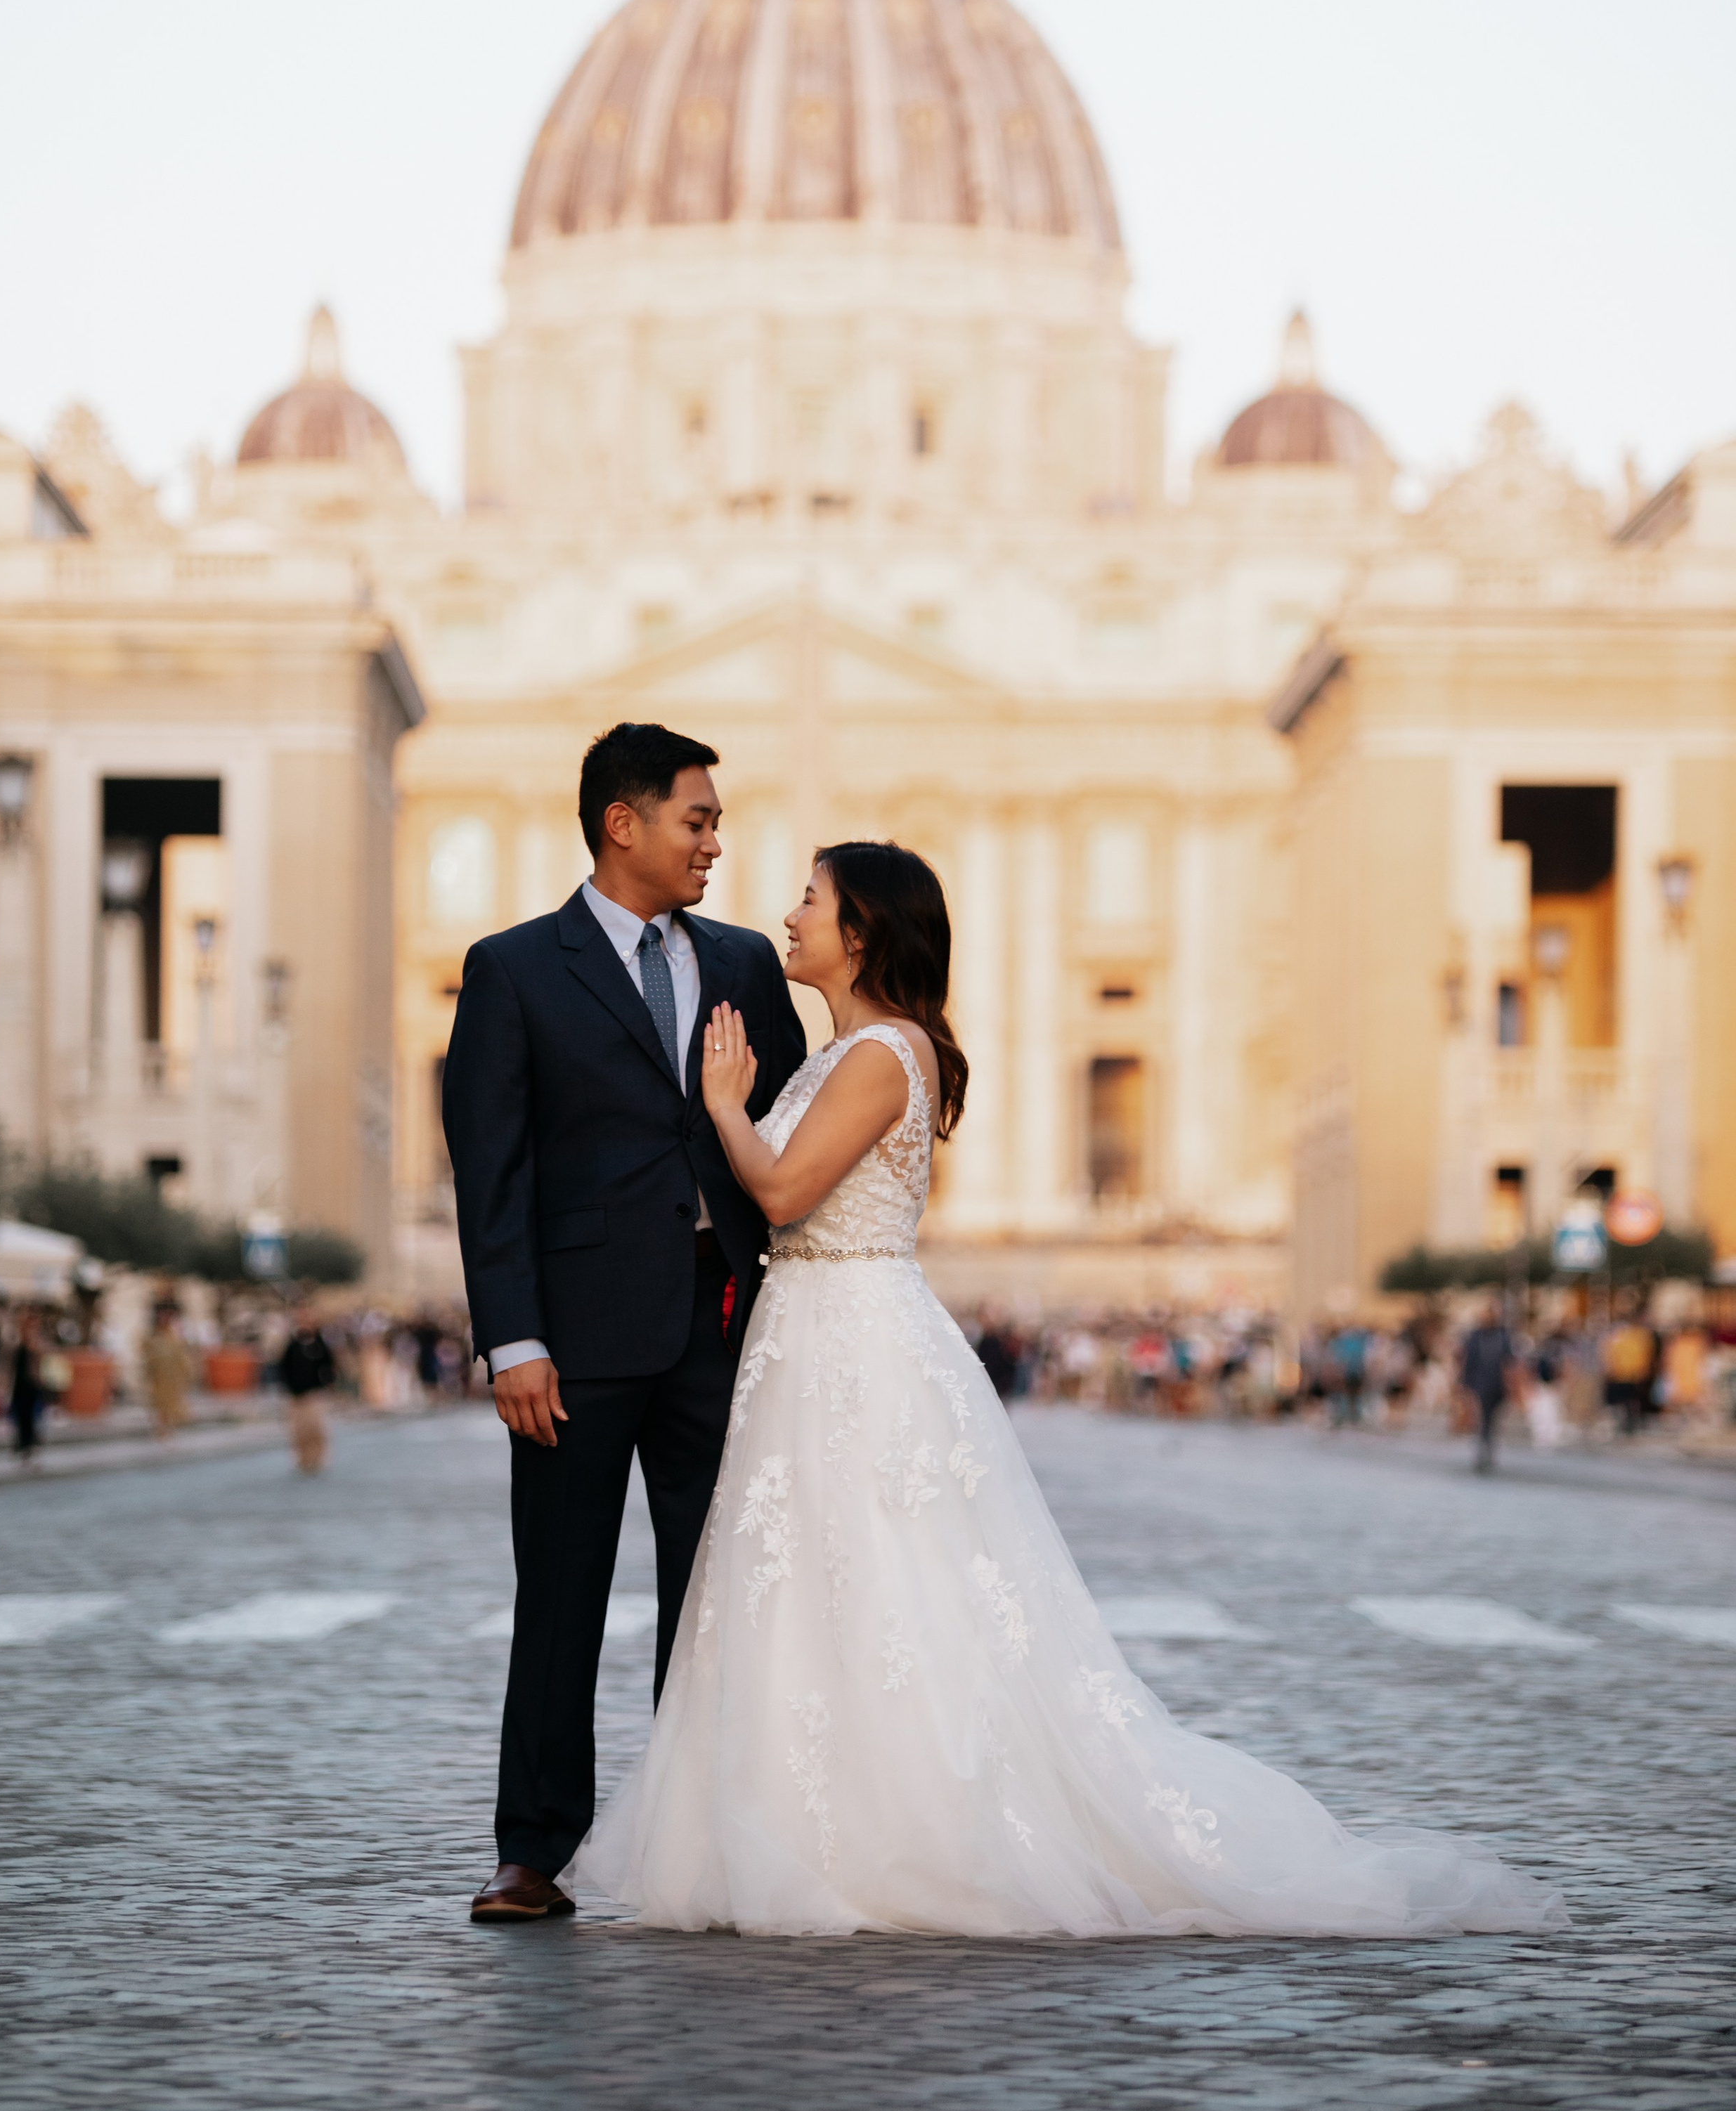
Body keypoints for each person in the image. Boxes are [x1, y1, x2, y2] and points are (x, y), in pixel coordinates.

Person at [569, 840, 1565, 1940]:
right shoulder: (844, 1052)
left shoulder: (882, 1053)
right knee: (814, 1582)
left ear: (860, 933)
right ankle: (815, 1819)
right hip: (809, 1336)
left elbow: (784, 1190)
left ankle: (894, 1830)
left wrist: (724, 1105)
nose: (789, 915)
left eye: (812, 899)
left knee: (881, 1577)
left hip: (852, 1336)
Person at [446, 722, 807, 1925]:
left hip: (721, 1322)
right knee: (561, 1595)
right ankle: (532, 1850)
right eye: (698, 821)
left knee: (716, 1599)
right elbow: (491, 1169)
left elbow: (788, 1129)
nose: (715, 844)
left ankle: (702, 1843)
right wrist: (513, 1338)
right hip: (574, 1341)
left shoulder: (746, 963)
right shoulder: (513, 969)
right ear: (623, 824)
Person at [1458, 1300, 1518, 1472]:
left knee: (1492, 1420)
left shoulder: (1503, 1335)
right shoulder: (1475, 1336)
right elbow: (1468, 1361)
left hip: (1498, 1385)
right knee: (1482, 1418)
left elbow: (1509, 1361)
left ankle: (1488, 1449)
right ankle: (1483, 1451)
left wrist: (1511, 1385)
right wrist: (1465, 1384)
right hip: (1480, 1384)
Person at [277, 1306, 337, 1473]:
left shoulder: (319, 1344)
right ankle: (303, 1459)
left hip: (314, 1393)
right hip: (296, 1394)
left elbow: (329, 1365)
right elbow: (284, 1367)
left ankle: (318, 1458)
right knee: (299, 1430)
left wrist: (327, 1384)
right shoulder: (293, 1345)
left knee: (315, 1427)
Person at [141, 1302, 194, 1435]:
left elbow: (182, 1357)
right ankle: (162, 1429)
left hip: (173, 1378)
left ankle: (168, 1429)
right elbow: (147, 1358)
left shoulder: (174, 1337)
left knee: (172, 1404)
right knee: (160, 1405)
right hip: (159, 1378)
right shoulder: (152, 1338)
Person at [6, 1310, 50, 1464]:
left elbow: (45, 1355)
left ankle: (30, 1444)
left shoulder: (38, 1341)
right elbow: (8, 1361)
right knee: (19, 1414)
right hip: (18, 1384)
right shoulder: (15, 1340)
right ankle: (21, 1443)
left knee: (32, 1415)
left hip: (32, 1384)